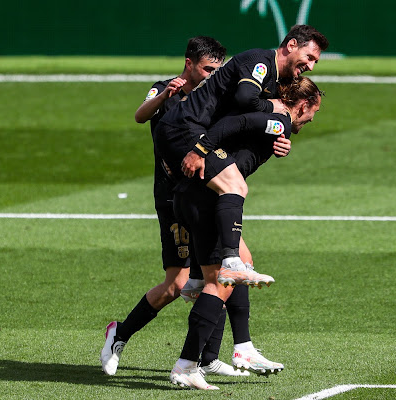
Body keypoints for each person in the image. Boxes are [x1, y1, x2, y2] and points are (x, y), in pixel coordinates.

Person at [100, 36, 286, 379]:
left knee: (231, 270)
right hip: (173, 197)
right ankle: (120, 334)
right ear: (189, 64)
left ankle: (212, 357)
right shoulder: (167, 90)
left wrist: (275, 135)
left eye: (217, 69)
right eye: (206, 69)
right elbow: (141, 116)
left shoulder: (212, 98)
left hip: (202, 191)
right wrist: (163, 97)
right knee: (176, 285)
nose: (212, 75)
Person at [169, 76, 324, 390]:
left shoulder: (278, 124)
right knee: (220, 284)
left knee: (243, 260)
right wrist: (201, 149)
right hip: (202, 201)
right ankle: (186, 364)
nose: (311, 119)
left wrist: (279, 140)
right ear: (303, 105)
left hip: (196, 197)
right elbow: (231, 126)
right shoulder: (277, 118)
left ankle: (243, 348)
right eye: (313, 112)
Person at [155, 25, 329, 287]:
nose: (311, 66)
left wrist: (282, 140)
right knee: (234, 185)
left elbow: (254, 121)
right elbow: (247, 99)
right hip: (185, 127)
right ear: (292, 45)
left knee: (210, 195)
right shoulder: (260, 60)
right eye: (310, 57)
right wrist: (271, 106)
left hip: (194, 130)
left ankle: (197, 278)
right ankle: (231, 263)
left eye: (315, 62)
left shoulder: (275, 79)